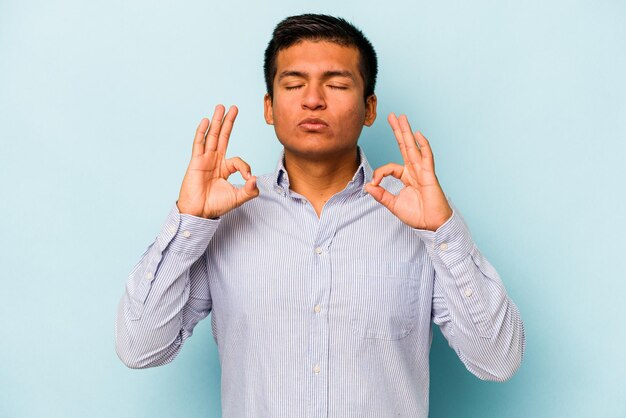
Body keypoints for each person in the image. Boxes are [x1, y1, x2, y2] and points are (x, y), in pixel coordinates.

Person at [115, 13, 525, 417]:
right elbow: (140, 348)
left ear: (369, 108)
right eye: (293, 84)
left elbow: (497, 361)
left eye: (337, 84)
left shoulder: (418, 218)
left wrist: (442, 230)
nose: (313, 99)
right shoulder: (226, 217)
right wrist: (189, 222)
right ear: (269, 107)